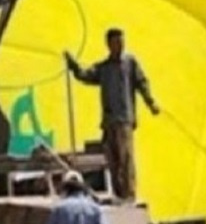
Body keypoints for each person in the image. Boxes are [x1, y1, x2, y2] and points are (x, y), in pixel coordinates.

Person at [64, 28, 160, 203]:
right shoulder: (104, 68)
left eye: (122, 42)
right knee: (112, 160)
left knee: (126, 159)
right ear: (109, 44)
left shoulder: (130, 63)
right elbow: (85, 75)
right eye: (116, 42)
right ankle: (118, 194)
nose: (120, 45)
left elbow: (142, 83)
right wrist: (73, 66)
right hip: (109, 121)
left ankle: (129, 195)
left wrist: (151, 102)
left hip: (124, 119)